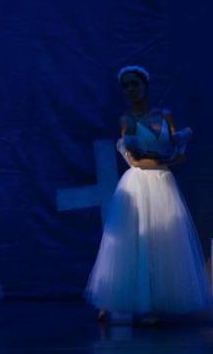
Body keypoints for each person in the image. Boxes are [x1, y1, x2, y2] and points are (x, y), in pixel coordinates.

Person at [86, 65, 212, 323]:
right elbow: (134, 160)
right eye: (126, 86)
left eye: (135, 84)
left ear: (146, 85)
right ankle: (111, 301)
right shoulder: (127, 120)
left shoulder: (166, 117)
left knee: (161, 240)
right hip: (139, 183)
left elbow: (180, 154)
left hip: (163, 183)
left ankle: (154, 302)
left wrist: (169, 159)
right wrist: (162, 161)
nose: (130, 90)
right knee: (132, 242)